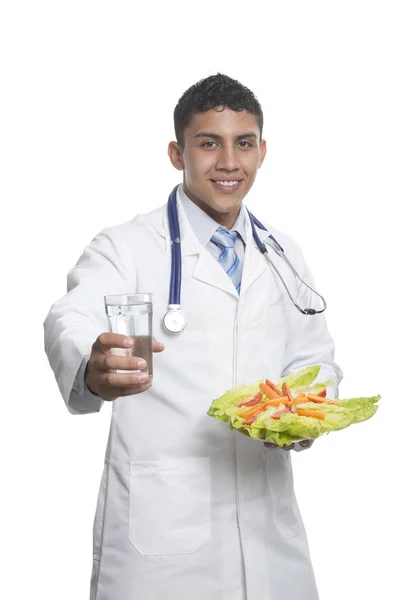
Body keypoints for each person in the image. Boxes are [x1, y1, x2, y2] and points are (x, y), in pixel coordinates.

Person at [44, 73, 343, 600]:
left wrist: (308, 409)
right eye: (209, 144)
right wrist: (93, 363)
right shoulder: (128, 246)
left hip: (270, 526)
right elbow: (71, 317)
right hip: (163, 538)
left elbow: (314, 356)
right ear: (177, 153)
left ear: (262, 151)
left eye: (243, 143)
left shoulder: (283, 253)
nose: (229, 162)